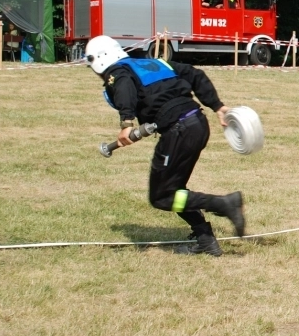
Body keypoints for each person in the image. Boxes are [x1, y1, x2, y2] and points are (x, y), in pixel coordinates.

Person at [84, 35, 246, 256]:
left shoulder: (117, 71)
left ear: (99, 60)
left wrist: (126, 122)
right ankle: (205, 239)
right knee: (173, 189)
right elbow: (194, 74)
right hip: (197, 124)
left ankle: (225, 204)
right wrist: (217, 106)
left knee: (162, 197)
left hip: (178, 129)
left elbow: (123, 86)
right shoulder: (156, 62)